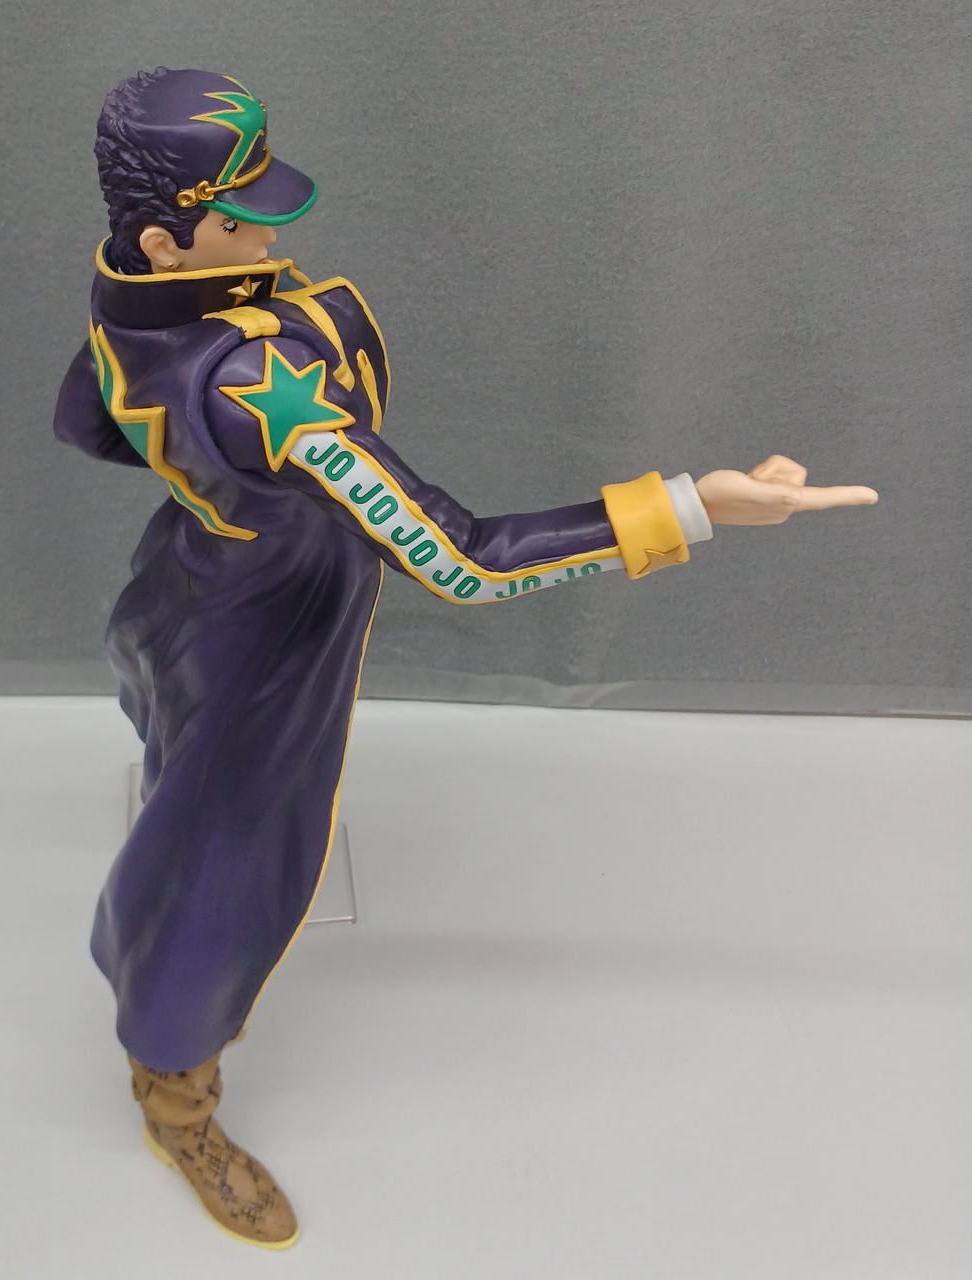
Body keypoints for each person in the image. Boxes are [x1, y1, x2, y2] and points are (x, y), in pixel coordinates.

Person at [53, 67, 878, 1250]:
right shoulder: (253, 386)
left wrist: (218, 484)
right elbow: (463, 561)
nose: (269, 234)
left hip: (190, 573)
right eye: (238, 219)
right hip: (261, 629)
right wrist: (688, 506)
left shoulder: (134, 295)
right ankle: (175, 1098)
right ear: (163, 236)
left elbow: (90, 418)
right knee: (225, 869)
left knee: (181, 772)